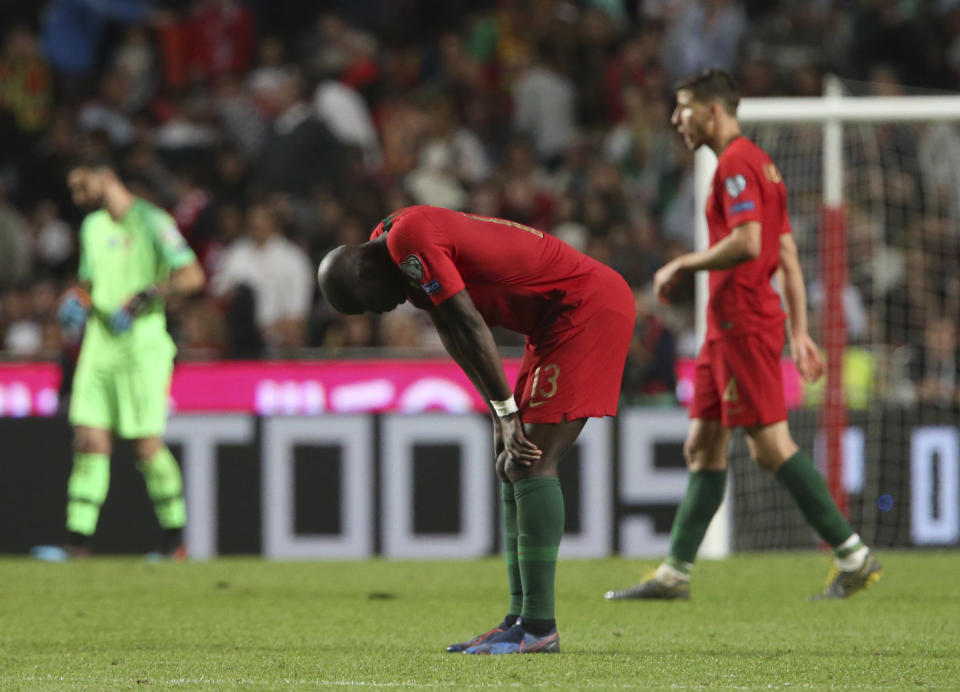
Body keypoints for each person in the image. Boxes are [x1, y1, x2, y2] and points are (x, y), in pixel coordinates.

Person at [604, 69, 881, 602]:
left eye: (683, 106)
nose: (674, 118)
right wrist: (800, 332)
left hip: (743, 326)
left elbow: (753, 243)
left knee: (771, 447)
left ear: (712, 109)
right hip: (727, 329)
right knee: (701, 446)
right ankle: (674, 574)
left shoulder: (735, 164)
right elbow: (788, 254)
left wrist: (684, 262)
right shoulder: (760, 166)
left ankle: (852, 554)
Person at [318, 205, 635, 654]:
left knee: (532, 461)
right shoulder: (390, 243)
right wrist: (496, 409)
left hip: (586, 306)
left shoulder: (408, 241)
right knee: (511, 464)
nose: (382, 310)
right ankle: (519, 621)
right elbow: (450, 328)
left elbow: (468, 320)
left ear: (366, 273)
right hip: (550, 324)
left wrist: (507, 414)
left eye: (372, 303)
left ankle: (540, 628)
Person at [32, 160, 205, 561]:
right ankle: (77, 545)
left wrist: (151, 293)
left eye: (81, 187)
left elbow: (192, 275)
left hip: (142, 349)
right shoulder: (92, 227)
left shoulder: (152, 222)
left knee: (146, 447)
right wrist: (76, 299)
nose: (77, 197)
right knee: (88, 441)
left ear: (106, 177)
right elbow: (89, 283)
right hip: (98, 347)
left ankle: (174, 541)